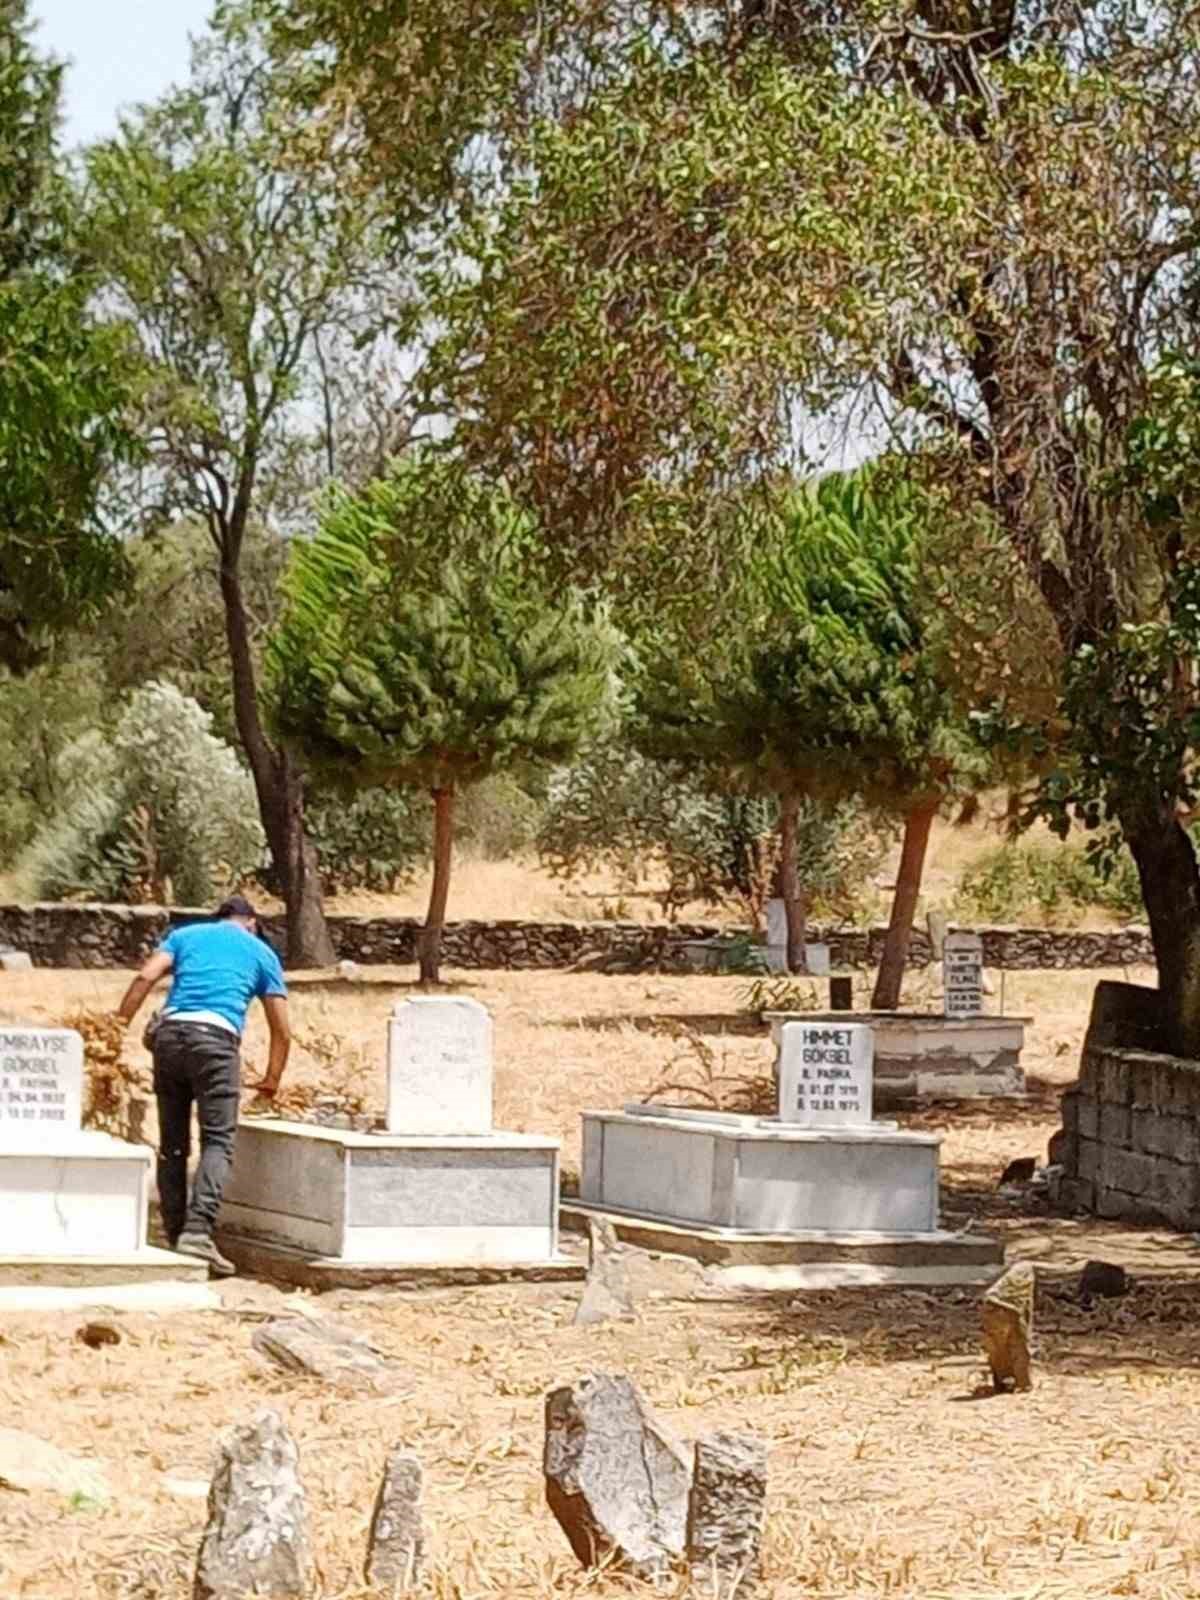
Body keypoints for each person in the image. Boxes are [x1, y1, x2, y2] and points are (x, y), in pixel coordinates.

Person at [115, 895, 290, 1276]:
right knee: (218, 1141)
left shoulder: (184, 935)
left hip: (170, 1037)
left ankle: (175, 1229)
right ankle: (197, 1232)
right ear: (252, 922)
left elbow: (146, 976)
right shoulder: (261, 952)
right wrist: (272, 1081)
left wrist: (112, 1031)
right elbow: (281, 1029)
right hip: (216, 1042)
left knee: (173, 1142)